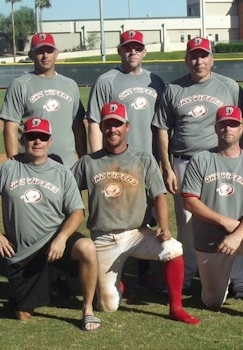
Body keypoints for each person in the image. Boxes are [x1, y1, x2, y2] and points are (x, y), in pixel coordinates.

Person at [71, 102, 199, 325]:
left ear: (127, 126)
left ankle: (176, 307)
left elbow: (158, 195)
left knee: (174, 249)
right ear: (101, 128)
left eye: (117, 124)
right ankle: (118, 284)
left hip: (137, 234)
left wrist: (163, 226)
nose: (113, 129)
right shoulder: (88, 162)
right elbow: (67, 189)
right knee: (108, 306)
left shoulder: (143, 158)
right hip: (103, 238)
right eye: (108, 124)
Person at [0, 117, 100, 331]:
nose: (37, 141)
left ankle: (87, 310)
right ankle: (48, 279)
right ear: (23, 139)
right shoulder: (8, 168)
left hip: (54, 240)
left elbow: (77, 213)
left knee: (87, 247)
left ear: (50, 141)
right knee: (23, 315)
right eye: (32, 136)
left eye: (43, 137)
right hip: (24, 251)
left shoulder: (61, 172)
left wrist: (61, 238)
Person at [154, 37, 243, 296]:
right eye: (194, 56)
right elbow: (163, 130)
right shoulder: (174, 89)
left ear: (212, 59)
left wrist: (239, 152)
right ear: (186, 60)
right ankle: (187, 276)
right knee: (187, 223)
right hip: (184, 162)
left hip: (220, 162)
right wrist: (166, 166)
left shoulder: (228, 86)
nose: (199, 61)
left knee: (233, 219)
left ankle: (240, 281)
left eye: (204, 55)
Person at [181, 106, 243, 326]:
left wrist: (237, 234)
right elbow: (189, 201)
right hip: (210, 242)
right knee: (212, 301)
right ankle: (221, 285)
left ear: (241, 128)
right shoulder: (201, 160)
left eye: (233, 124)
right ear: (216, 128)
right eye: (223, 123)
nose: (228, 128)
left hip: (241, 235)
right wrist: (224, 222)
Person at [86, 29, 167, 293]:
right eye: (127, 47)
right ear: (120, 51)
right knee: (118, 211)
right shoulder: (107, 80)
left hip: (149, 158)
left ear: (144, 51)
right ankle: (117, 271)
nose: (132, 52)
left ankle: (143, 272)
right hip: (117, 160)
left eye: (137, 47)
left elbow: (164, 125)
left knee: (147, 215)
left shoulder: (156, 81)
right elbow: (95, 122)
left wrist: (165, 161)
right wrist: (100, 158)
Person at [0, 33, 87, 167]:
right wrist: (13, 165)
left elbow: (78, 126)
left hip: (67, 166)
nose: (45, 55)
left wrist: (83, 161)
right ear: (31, 55)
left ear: (56, 53)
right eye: (40, 51)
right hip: (31, 166)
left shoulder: (70, 85)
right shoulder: (20, 85)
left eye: (49, 51)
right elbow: (11, 127)